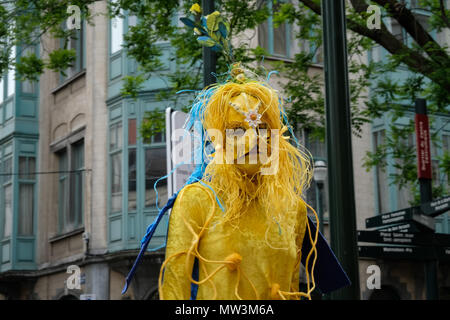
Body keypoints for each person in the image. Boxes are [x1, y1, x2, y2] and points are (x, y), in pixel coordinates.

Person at [158, 65, 319, 300]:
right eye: (237, 131)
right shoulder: (197, 199)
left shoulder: (293, 208)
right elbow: (175, 287)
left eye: (262, 129)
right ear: (219, 138)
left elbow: (292, 287)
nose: (253, 140)